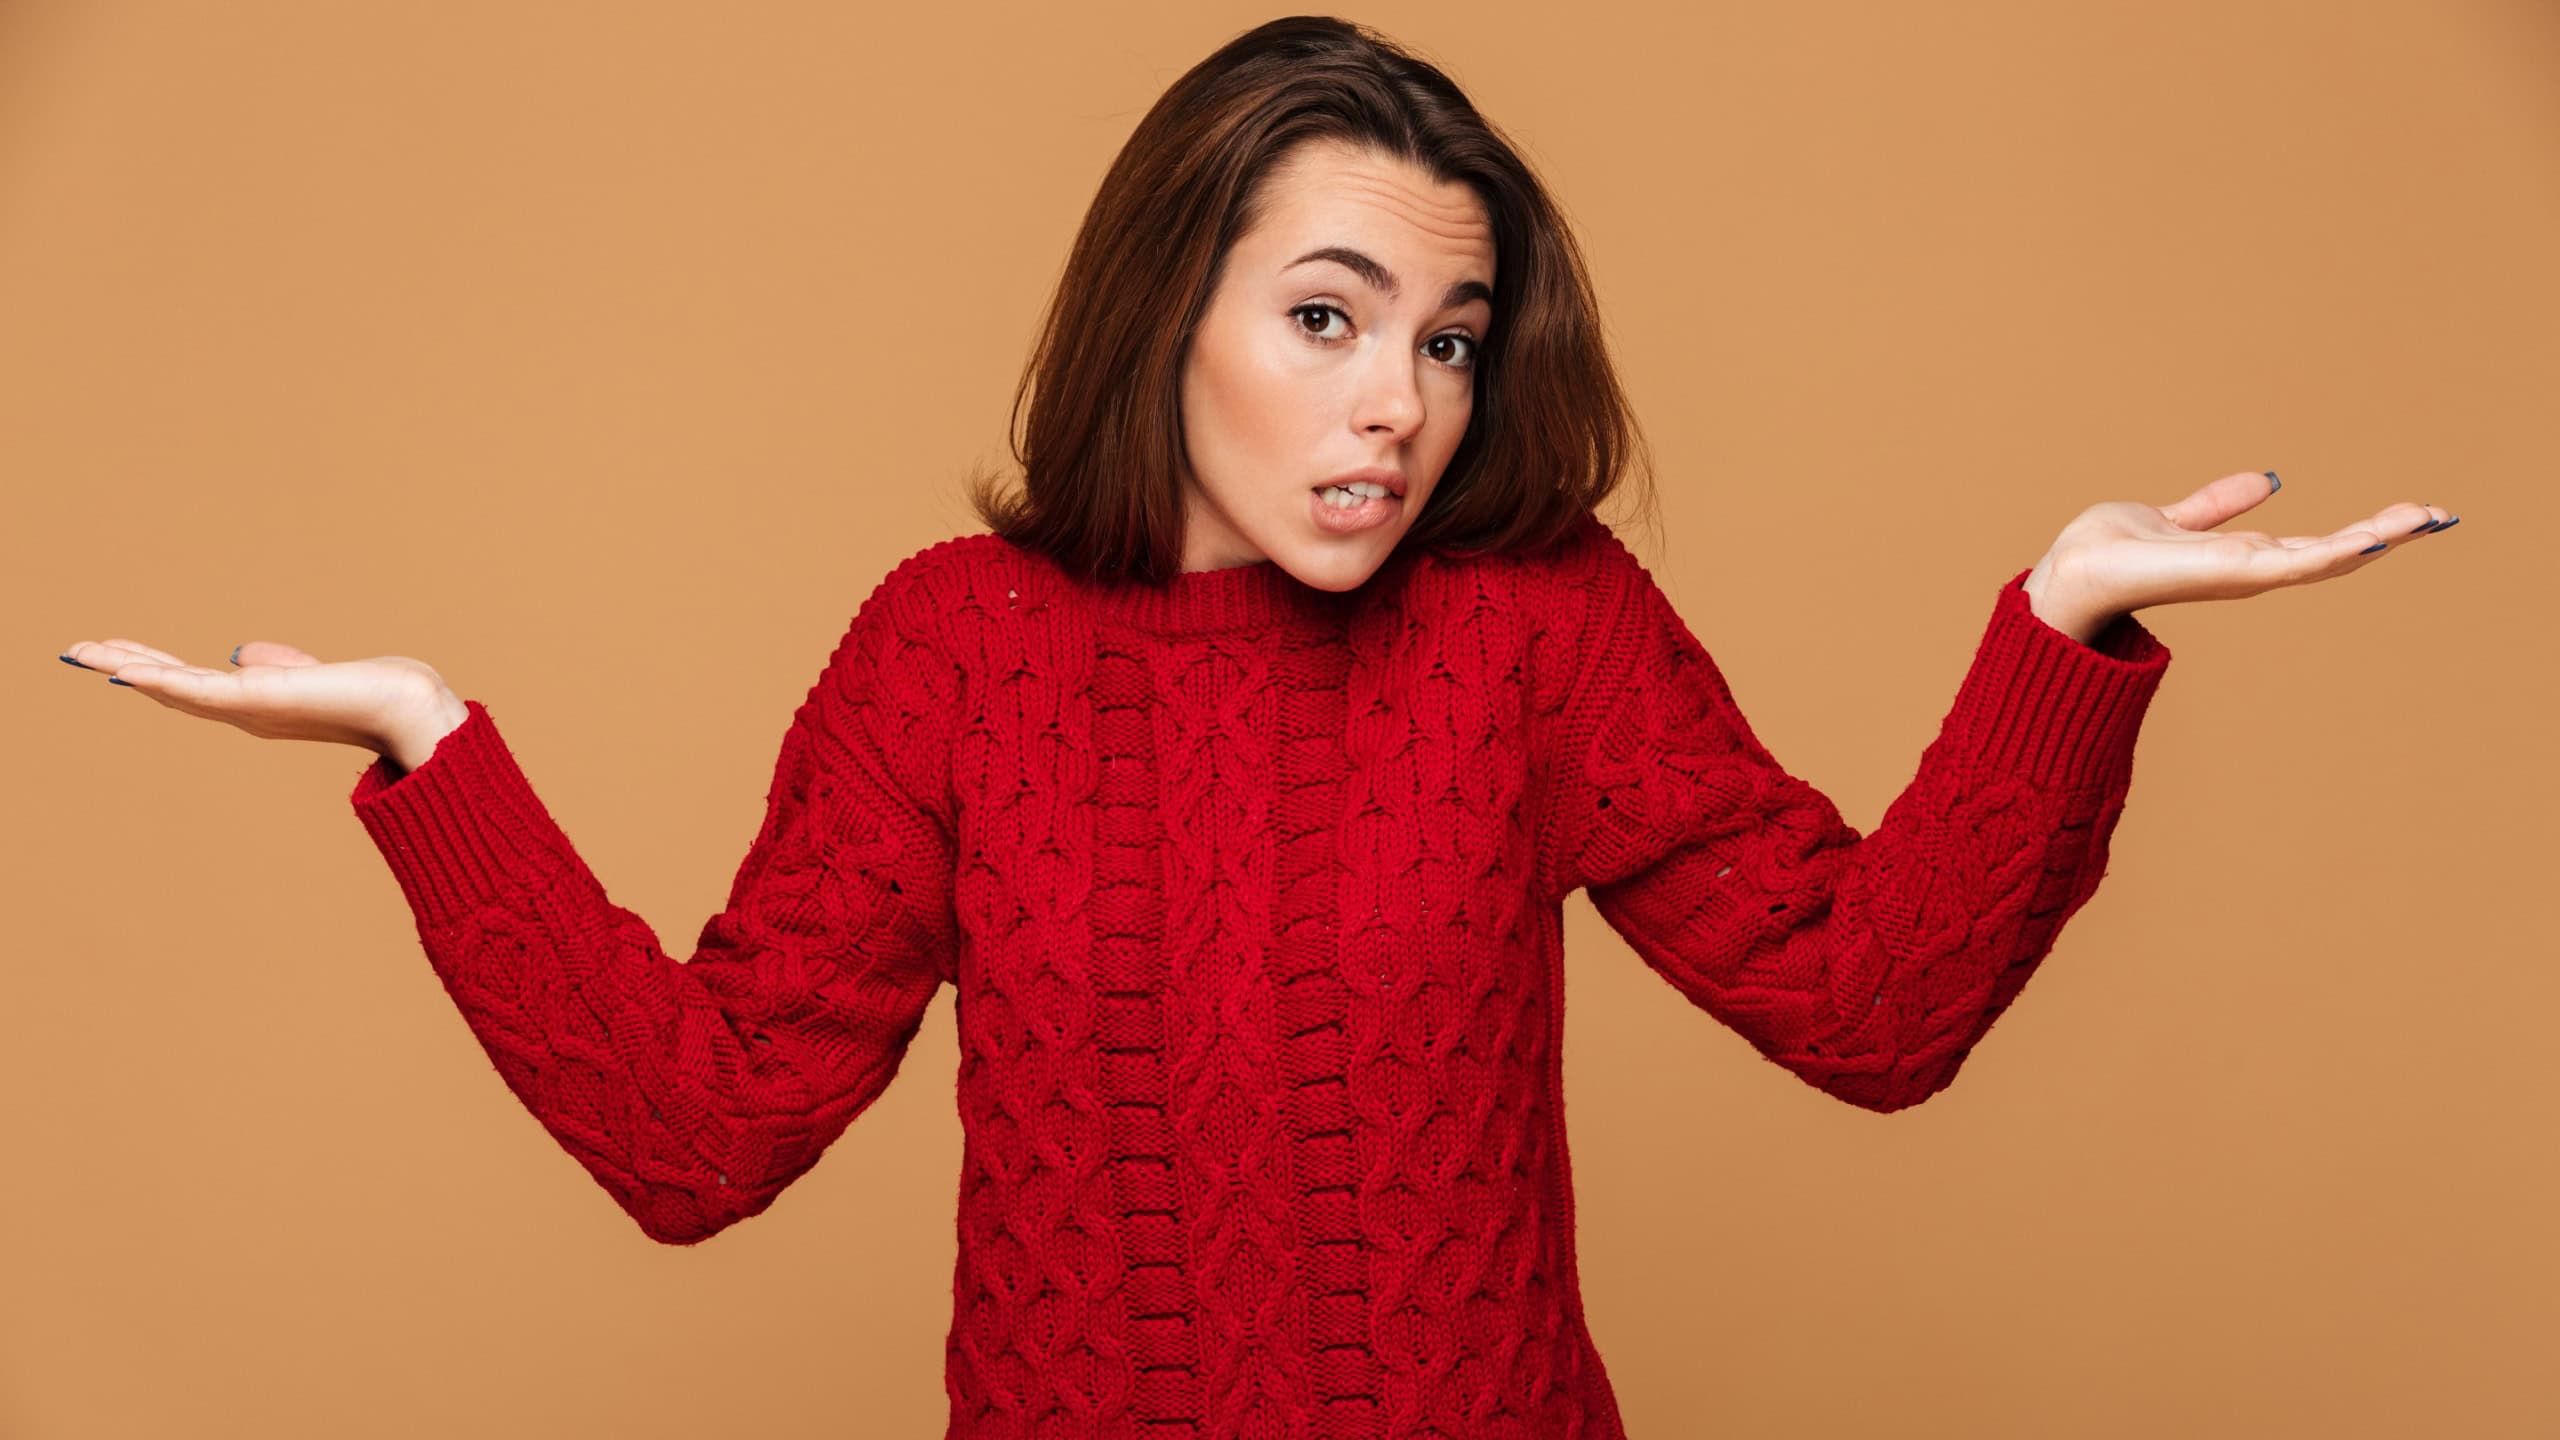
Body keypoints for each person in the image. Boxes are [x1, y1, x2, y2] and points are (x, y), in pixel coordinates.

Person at [56, 16, 2458, 1439]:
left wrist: (2060, 626)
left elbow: (1873, 1006)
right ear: (1163, 305)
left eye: (1443, 335)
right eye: (1324, 316)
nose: (1397, 401)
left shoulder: (1536, 629)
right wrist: (427, 750)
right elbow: (702, 1132)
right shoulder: (951, 651)